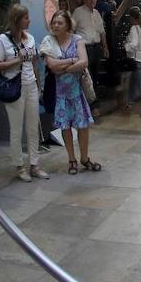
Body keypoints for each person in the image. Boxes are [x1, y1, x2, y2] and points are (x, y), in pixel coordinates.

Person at [40, 10, 99, 174]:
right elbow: (51, 66)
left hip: (77, 92)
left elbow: (84, 62)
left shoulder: (77, 39)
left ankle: (84, 158)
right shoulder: (49, 41)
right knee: (65, 127)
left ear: (68, 25)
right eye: (54, 23)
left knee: (83, 126)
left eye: (59, 23)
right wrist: (73, 61)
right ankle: (71, 159)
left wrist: (64, 68)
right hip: (60, 94)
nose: (56, 26)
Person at [0, 4, 47, 182]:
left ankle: (34, 164)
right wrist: (18, 59)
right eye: (26, 17)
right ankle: (19, 166)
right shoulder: (3, 39)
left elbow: (33, 62)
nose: (29, 20)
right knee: (16, 129)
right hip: (14, 88)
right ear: (17, 20)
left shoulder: (30, 38)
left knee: (33, 127)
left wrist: (38, 84)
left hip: (30, 85)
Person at [71, 0, 107, 100]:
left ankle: (93, 99)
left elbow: (102, 32)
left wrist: (105, 47)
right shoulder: (78, 12)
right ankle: (88, 102)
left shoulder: (97, 13)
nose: (92, 0)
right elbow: (71, 30)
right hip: (84, 48)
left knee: (95, 75)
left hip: (96, 48)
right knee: (87, 75)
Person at [124, 7, 141, 118]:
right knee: (133, 81)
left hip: (138, 59)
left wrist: (126, 45)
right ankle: (129, 103)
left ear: (131, 18)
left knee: (140, 82)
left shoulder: (134, 28)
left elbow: (134, 44)